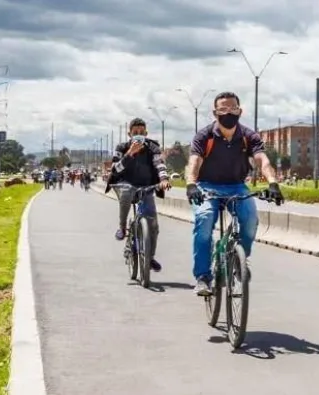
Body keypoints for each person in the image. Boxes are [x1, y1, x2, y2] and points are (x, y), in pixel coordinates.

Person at [185, 91, 284, 296]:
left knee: (250, 220)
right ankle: (203, 277)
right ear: (215, 113)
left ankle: (239, 259)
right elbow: (194, 162)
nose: (228, 113)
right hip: (206, 186)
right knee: (204, 219)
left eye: (233, 108)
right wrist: (191, 184)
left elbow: (262, 160)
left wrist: (273, 182)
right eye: (223, 109)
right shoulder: (204, 136)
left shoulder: (248, 136)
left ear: (240, 111)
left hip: (237, 186)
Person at [107, 117, 172, 271]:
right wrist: (130, 153)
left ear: (146, 133)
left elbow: (159, 164)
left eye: (142, 132)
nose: (139, 135)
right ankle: (122, 228)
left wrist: (164, 179)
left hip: (146, 186)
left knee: (153, 225)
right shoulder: (122, 147)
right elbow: (115, 169)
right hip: (125, 184)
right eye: (135, 132)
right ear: (129, 134)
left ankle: (150, 257)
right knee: (126, 192)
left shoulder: (153, 147)